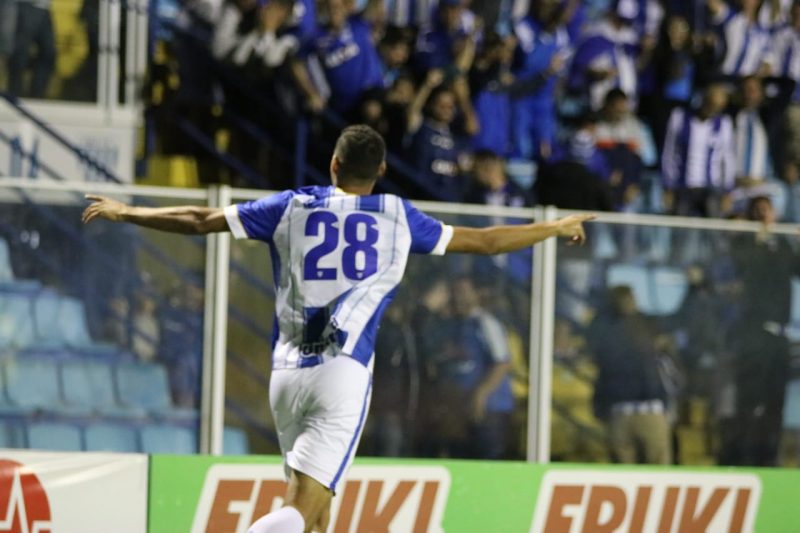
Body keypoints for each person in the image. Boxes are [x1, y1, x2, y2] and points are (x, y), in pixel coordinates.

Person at [82, 124, 594, 533]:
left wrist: (127, 211)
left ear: (333, 165)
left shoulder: (291, 206)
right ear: (382, 171)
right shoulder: (396, 215)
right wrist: (551, 227)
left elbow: (198, 219)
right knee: (302, 508)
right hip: (342, 375)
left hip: (285, 375)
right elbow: (485, 242)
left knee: (317, 508)